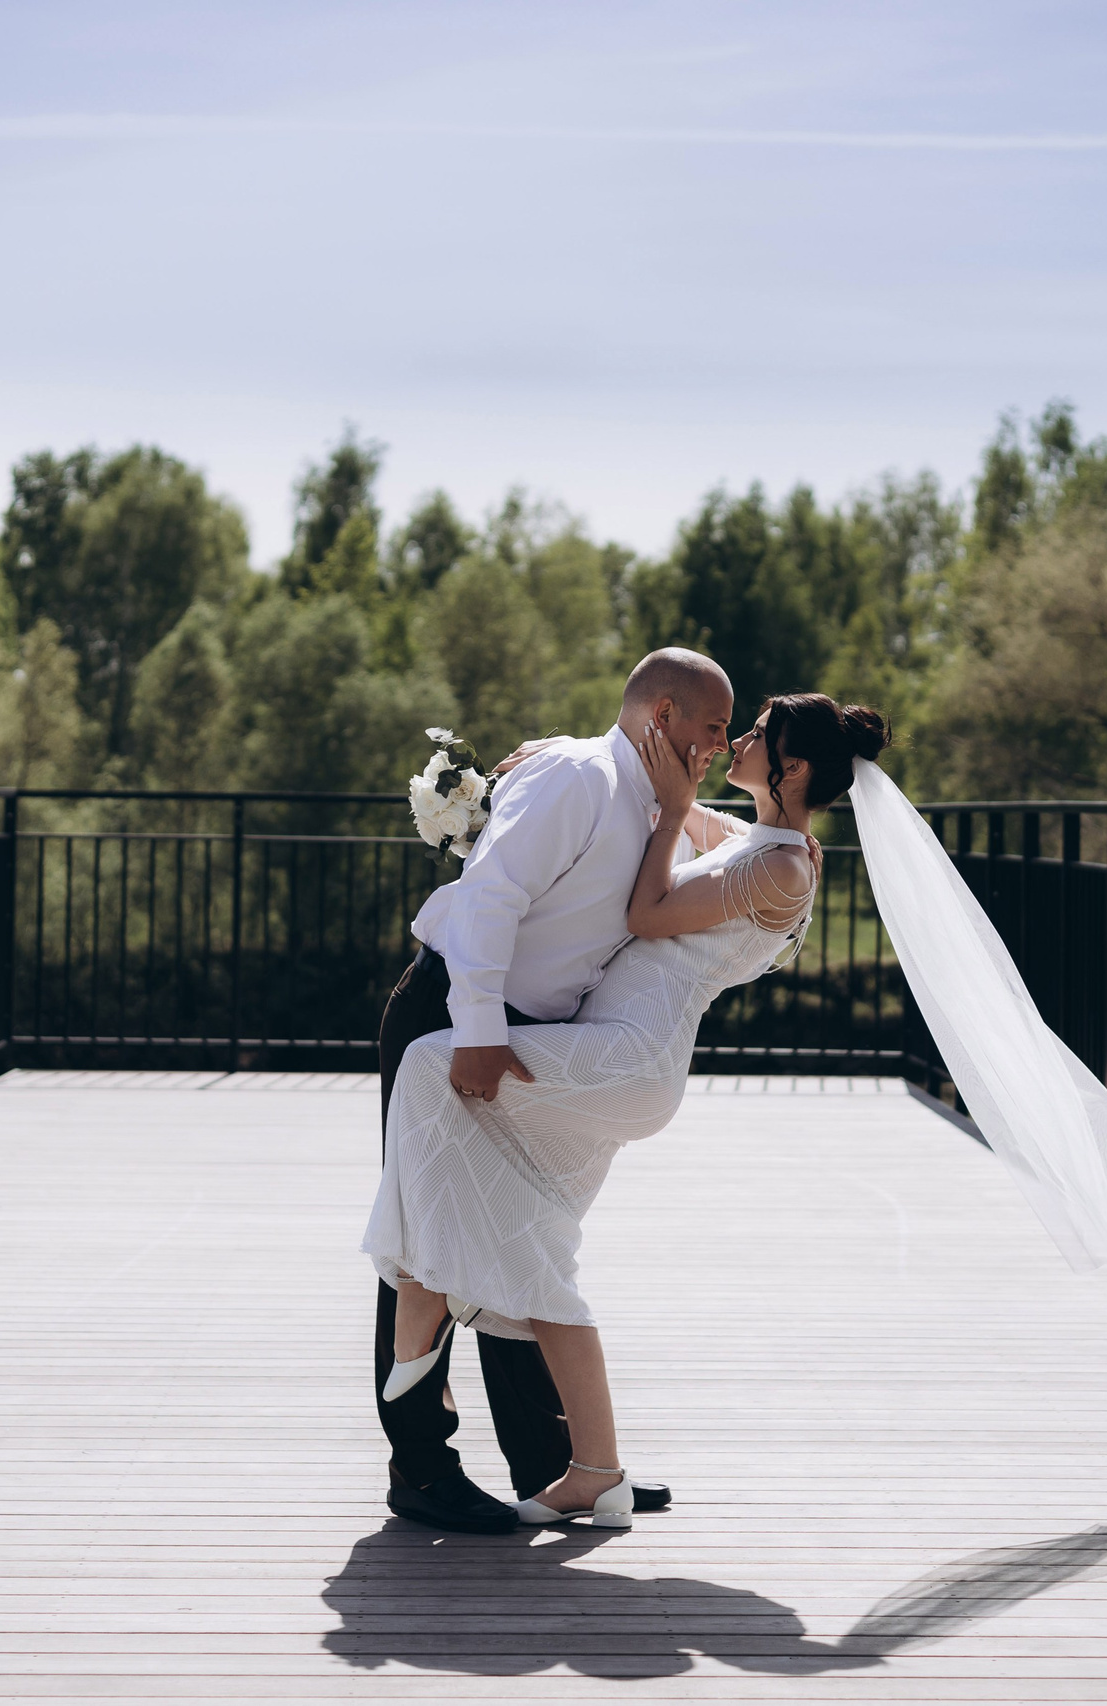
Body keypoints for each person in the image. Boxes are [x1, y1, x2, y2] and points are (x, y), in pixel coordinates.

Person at [366, 689, 879, 1529]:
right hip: (600, 1047)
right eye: (718, 726)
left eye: (748, 733)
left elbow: (648, 907)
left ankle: (424, 1294)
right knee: (519, 1226)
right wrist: (573, 756)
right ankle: (560, 1464)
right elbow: (664, 814)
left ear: (791, 768)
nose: (728, 740)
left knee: (446, 1114)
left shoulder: (784, 865)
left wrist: (673, 802)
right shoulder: (761, 840)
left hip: (622, 1056)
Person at [366, 647, 736, 1536]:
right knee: (430, 1239)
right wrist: (482, 1034)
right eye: (711, 729)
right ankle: (420, 1467)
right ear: (662, 719)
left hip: (531, 1044)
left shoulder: (657, 800)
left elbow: (731, 838)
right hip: (455, 1018)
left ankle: (554, 1468)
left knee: (518, 1235)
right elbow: (489, 896)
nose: (720, 746)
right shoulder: (575, 777)